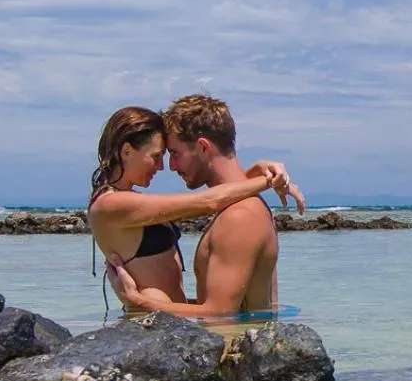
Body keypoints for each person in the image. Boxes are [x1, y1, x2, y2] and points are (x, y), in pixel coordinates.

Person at [89, 105, 303, 307]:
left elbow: (215, 197)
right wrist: (271, 180)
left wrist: (258, 170)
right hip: (148, 326)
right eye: (156, 156)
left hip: (163, 321)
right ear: (127, 151)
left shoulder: (125, 201)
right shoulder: (110, 204)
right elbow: (209, 201)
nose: (164, 166)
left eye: (169, 155)